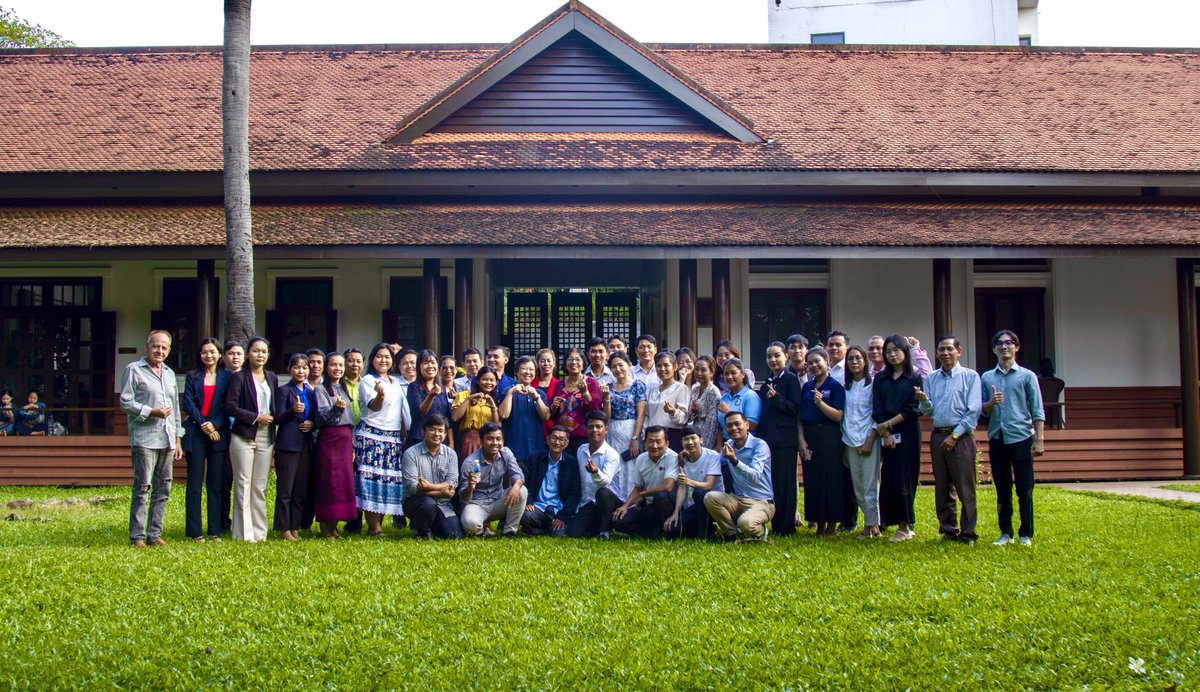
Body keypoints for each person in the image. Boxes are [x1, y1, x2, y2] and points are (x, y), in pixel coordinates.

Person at [980, 329, 1045, 547]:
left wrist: (1039, 440)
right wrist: (991, 403)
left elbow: (1037, 409)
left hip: (1022, 436)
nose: (1004, 346)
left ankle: (1026, 533)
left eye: (1009, 343)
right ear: (994, 349)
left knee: (1025, 488)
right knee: (1002, 487)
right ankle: (1005, 532)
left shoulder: (1027, 376)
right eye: (999, 343)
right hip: (997, 437)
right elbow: (982, 410)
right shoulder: (987, 377)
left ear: (1016, 347)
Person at [119, 330, 183, 548]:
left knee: (164, 487)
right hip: (145, 439)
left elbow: (175, 409)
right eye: (156, 346)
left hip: (167, 438)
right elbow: (125, 402)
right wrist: (151, 411)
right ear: (147, 347)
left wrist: (178, 438)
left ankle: (154, 534)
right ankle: (138, 536)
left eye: (164, 347)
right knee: (143, 487)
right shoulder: (134, 370)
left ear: (169, 350)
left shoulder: (170, 373)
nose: (160, 351)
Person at [916, 335, 983, 544]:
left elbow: (974, 411)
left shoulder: (970, 376)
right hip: (938, 434)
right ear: (936, 353)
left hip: (960, 436)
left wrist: (955, 436)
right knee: (942, 485)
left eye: (949, 349)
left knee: (965, 486)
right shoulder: (932, 378)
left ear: (958, 351)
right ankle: (948, 529)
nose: (945, 353)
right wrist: (923, 401)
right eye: (941, 350)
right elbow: (928, 411)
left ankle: (968, 532)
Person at [224, 336, 278, 542]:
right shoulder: (239, 377)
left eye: (264, 351)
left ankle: (259, 533)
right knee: (243, 483)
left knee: (259, 486)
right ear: (248, 353)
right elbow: (230, 406)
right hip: (244, 435)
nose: (260, 355)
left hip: (266, 436)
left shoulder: (272, 377)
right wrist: (256, 417)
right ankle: (244, 534)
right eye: (256, 351)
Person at [355, 342, 411, 536]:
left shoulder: (395, 382)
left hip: (392, 438)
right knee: (372, 481)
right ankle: (374, 527)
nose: (383, 360)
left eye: (387, 357)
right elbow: (374, 406)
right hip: (372, 437)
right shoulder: (368, 380)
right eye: (379, 356)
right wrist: (380, 395)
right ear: (372, 359)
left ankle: (378, 523)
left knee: (386, 482)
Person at [872, 335, 924, 542]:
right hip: (887, 434)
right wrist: (885, 433)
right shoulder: (880, 378)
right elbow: (877, 408)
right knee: (889, 477)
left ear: (905, 352)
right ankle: (889, 521)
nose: (892, 355)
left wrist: (887, 425)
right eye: (888, 351)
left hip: (908, 432)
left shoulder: (914, 378)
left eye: (896, 350)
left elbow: (912, 409)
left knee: (905, 478)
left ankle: (905, 526)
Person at [181, 337, 231, 542]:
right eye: (204, 352)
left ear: (219, 354)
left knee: (215, 483)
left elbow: (229, 405)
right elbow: (188, 403)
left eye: (212, 351)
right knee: (194, 482)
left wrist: (214, 424)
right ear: (199, 355)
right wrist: (205, 424)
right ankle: (195, 532)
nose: (208, 355)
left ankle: (214, 530)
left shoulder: (228, 376)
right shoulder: (192, 376)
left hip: (219, 433)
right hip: (196, 432)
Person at [798, 347, 847, 538]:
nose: (814, 365)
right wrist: (802, 441)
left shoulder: (835, 386)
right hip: (810, 437)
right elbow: (800, 416)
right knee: (813, 480)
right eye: (810, 362)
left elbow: (838, 416)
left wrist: (821, 404)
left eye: (817, 361)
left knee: (831, 480)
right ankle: (818, 523)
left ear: (826, 361)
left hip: (829, 437)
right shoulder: (807, 387)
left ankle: (832, 525)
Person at [704, 411, 774, 542]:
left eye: (737, 424)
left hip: (762, 501)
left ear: (747, 425)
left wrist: (735, 461)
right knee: (710, 498)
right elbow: (715, 459)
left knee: (746, 523)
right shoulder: (730, 444)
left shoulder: (759, 445)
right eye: (729, 425)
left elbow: (755, 475)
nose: (733, 428)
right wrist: (692, 452)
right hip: (738, 499)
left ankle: (760, 531)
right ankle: (731, 533)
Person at [758, 341, 804, 537]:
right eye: (769, 356)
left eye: (777, 355)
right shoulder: (768, 380)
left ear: (786, 356)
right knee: (773, 482)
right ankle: (776, 522)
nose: (773, 360)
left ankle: (786, 526)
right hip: (769, 439)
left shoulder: (791, 379)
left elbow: (795, 408)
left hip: (785, 440)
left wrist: (777, 397)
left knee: (786, 483)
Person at [272, 353, 316, 541]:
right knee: (286, 490)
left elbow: (315, 417)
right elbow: (277, 418)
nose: (301, 371)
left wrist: (312, 424)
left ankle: (295, 526)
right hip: (288, 445)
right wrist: (293, 410)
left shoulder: (311, 392)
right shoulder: (283, 391)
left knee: (300, 490)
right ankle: (284, 528)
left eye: (304, 367)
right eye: (296, 367)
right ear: (289, 369)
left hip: (306, 445)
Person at [313, 351, 357, 538]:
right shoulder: (320, 389)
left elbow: (351, 420)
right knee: (329, 482)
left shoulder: (343, 389)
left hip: (346, 441)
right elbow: (323, 417)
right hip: (330, 440)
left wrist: (353, 445)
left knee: (343, 484)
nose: (337, 368)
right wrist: (336, 409)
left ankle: (334, 526)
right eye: (333, 365)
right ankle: (325, 527)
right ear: (326, 367)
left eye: (340, 365)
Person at [458, 422, 527, 537]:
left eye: (498, 439)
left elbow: (518, 475)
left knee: (521, 490)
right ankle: (483, 532)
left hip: (498, 500)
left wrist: (515, 486)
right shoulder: (470, 462)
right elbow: (463, 498)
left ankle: (509, 531)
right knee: (470, 524)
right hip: (477, 504)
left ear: (502, 441)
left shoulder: (506, 453)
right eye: (490, 439)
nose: (495, 443)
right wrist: (470, 487)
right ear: (481, 441)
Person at [841, 345, 882, 539]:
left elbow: (877, 414)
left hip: (869, 440)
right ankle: (873, 524)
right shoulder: (845, 388)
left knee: (870, 485)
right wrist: (845, 447)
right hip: (850, 441)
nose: (854, 362)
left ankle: (870, 526)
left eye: (858, 358)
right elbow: (845, 418)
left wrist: (870, 439)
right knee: (857, 487)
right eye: (850, 359)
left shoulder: (872, 385)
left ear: (865, 361)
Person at [401, 414, 462, 539]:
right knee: (427, 505)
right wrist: (441, 492)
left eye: (441, 431)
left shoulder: (451, 454)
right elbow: (411, 487)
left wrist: (429, 486)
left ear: (445, 434)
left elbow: (452, 482)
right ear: (423, 431)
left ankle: (433, 526)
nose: (436, 434)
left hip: (443, 504)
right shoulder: (411, 453)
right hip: (417, 501)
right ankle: (422, 531)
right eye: (432, 429)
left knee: (455, 536)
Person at [612, 426, 678, 538]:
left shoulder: (673, 457)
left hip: (668, 504)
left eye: (658, 442)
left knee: (660, 495)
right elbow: (638, 488)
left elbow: (668, 486)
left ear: (666, 443)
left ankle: (666, 531)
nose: (654, 446)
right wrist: (625, 506)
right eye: (650, 441)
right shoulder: (641, 459)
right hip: (649, 505)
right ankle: (654, 532)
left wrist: (643, 494)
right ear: (644, 443)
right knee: (619, 522)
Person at [566, 410, 623, 539]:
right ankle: (594, 527)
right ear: (585, 429)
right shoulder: (581, 450)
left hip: (609, 502)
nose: (594, 430)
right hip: (588, 502)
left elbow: (605, 482)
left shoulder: (611, 454)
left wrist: (596, 472)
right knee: (573, 533)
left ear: (606, 429)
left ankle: (605, 531)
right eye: (591, 427)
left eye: (598, 427)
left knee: (602, 493)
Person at [663, 426, 724, 539]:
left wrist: (688, 481)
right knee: (673, 530)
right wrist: (676, 513)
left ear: (701, 440)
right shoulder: (683, 459)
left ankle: (705, 532)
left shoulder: (712, 455)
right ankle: (702, 528)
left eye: (693, 438)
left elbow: (708, 485)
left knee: (699, 492)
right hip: (692, 506)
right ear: (682, 443)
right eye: (686, 439)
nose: (690, 442)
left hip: (713, 504)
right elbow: (682, 488)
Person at [520, 425, 581, 537]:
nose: (557, 442)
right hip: (538, 507)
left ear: (566, 443)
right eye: (554, 438)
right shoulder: (535, 458)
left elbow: (575, 493)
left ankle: (547, 528)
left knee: (559, 534)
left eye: (561, 439)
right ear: (547, 440)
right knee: (526, 516)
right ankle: (543, 531)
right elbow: (524, 481)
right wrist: (528, 501)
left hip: (558, 509)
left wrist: (563, 516)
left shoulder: (572, 463)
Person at [549, 349, 603, 456]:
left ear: (583, 364)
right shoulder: (559, 385)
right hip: (561, 439)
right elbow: (552, 415)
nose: (574, 362)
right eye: (570, 359)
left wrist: (585, 392)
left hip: (583, 438)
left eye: (578, 359)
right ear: (565, 364)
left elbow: (596, 411)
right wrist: (554, 407)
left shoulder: (591, 383)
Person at [499, 355, 551, 460]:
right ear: (516, 372)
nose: (528, 372)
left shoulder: (539, 393)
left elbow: (546, 417)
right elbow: (504, 414)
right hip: (513, 449)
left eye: (531, 369)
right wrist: (510, 393)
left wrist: (536, 397)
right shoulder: (508, 391)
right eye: (524, 368)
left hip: (536, 448)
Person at [218, 339, 245, 534]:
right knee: (224, 482)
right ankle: (223, 522)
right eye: (231, 353)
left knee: (243, 482)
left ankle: (242, 522)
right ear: (224, 356)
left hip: (244, 434)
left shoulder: (248, 378)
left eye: (239, 354)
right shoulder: (221, 378)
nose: (235, 357)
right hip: (224, 434)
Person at [341, 347, 367, 534]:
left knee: (361, 477)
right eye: (350, 360)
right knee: (347, 478)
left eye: (358, 361)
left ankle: (358, 519)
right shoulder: (337, 384)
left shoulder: (367, 384)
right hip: (344, 435)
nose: (354, 364)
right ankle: (349, 518)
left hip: (365, 435)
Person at [407, 349, 452, 451]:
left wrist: (451, 442)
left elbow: (447, 417)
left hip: (440, 440)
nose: (430, 366)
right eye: (426, 363)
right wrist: (431, 395)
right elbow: (419, 412)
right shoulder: (414, 387)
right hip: (419, 439)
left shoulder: (442, 388)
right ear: (419, 367)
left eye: (433, 362)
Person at [452, 365, 501, 459]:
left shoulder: (496, 399)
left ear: (496, 382)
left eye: (492, 380)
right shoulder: (464, 395)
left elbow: (497, 426)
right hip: (471, 440)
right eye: (485, 379)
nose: (488, 382)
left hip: (491, 441)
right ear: (478, 380)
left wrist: (493, 407)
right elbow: (455, 417)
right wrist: (468, 399)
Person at [645, 350, 690, 450]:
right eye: (659, 366)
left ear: (675, 367)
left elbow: (684, 417)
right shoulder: (653, 390)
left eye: (666, 365)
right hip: (652, 436)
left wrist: (673, 412)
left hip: (671, 436)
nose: (662, 369)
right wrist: (645, 435)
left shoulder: (681, 388)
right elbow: (647, 415)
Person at [716, 358, 761, 437]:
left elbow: (752, 425)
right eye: (726, 374)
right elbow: (720, 427)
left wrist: (728, 412)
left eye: (733, 373)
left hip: (744, 443)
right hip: (726, 442)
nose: (729, 377)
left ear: (742, 374)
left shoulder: (750, 396)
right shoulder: (724, 398)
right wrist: (720, 445)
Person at [688, 355, 722, 450]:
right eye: (696, 369)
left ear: (711, 372)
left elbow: (712, 423)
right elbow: (689, 416)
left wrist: (705, 446)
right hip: (694, 435)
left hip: (706, 439)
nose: (699, 373)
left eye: (703, 370)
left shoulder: (713, 391)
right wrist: (693, 411)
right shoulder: (695, 389)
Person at [867, 335, 934, 377]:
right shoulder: (868, 376)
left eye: (879, 348)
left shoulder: (903, 370)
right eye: (871, 349)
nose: (874, 351)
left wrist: (914, 350)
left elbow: (927, 375)